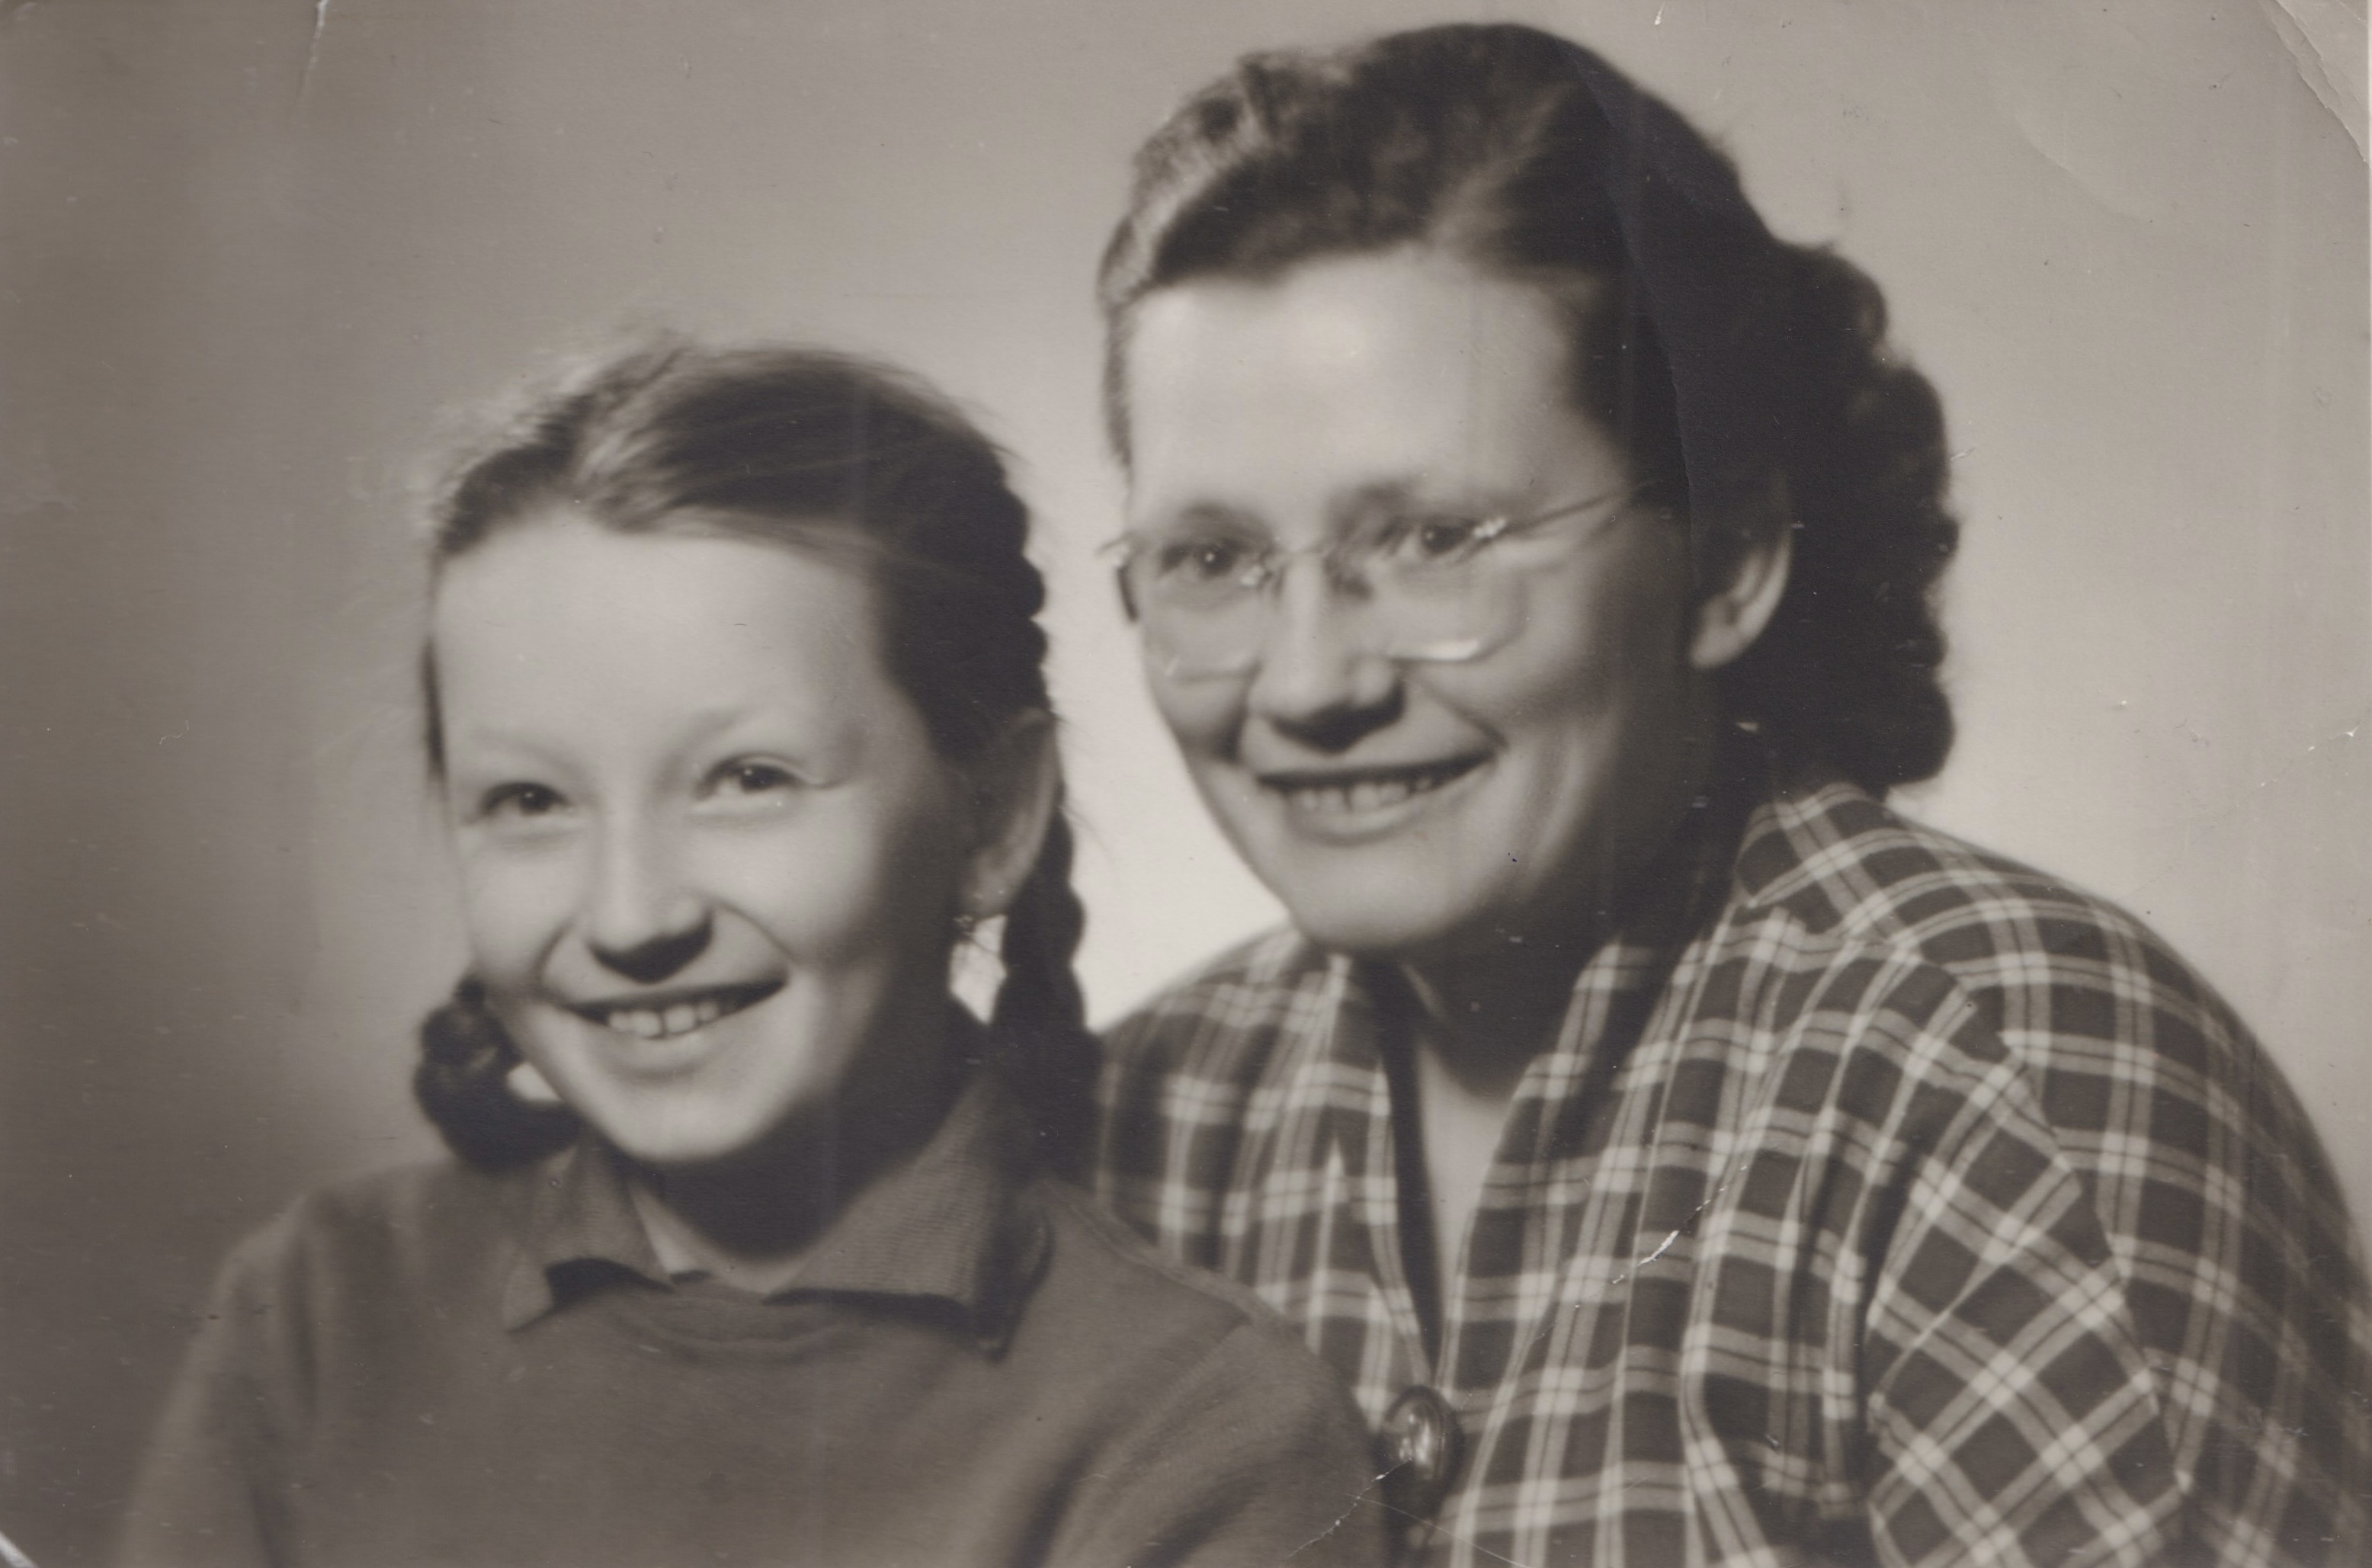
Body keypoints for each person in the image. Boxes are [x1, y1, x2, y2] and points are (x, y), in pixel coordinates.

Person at [1088, 22, 2371, 1566]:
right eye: (1212, 558)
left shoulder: (1992, 1066)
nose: (1308, 683)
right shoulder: (1127, 1117)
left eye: (1435, 538)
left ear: (1727, 562)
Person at [117, 342, 1386, 1568]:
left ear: (993, 818)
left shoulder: (1192, 1426)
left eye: (747, 778)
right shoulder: (318, 1319)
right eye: (531, 801)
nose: (630, 917)